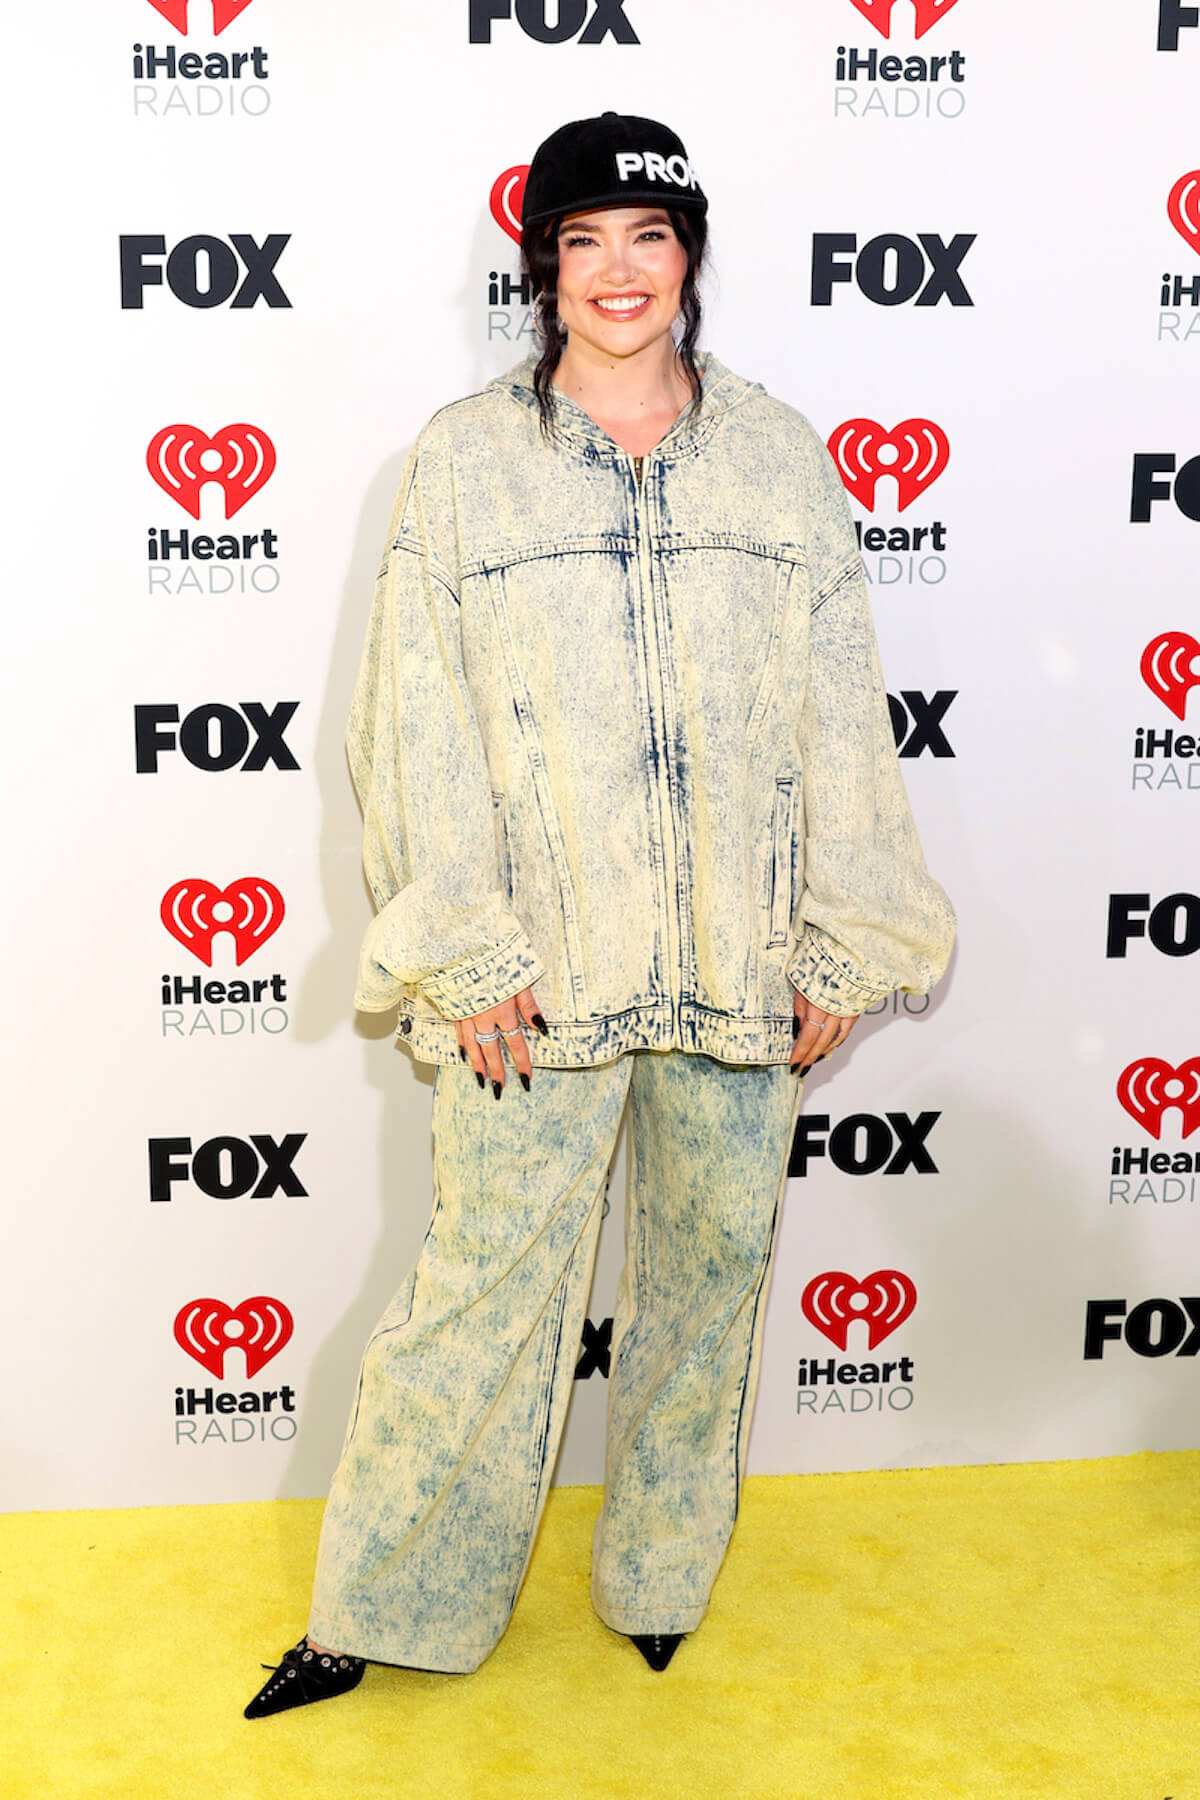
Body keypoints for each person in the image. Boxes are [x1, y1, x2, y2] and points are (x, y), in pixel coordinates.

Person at [243, 110, 955, 1720]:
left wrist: (847, 937)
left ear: (687, 255)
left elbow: (842, 712)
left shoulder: (780, 459)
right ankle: (384, 1605)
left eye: (647, 233)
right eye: (582, 240)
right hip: (537, 979)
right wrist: (460, 944)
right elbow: (412, 720)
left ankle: (656, 1583)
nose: (616, 271)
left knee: (711, 1284)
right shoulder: (463, 463)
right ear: (542, 268)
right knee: (483, 1295)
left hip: (738, 966)